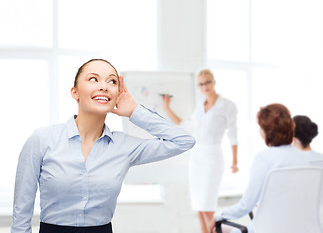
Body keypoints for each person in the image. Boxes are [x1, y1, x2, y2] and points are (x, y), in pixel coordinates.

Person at [11, 59, 196, 233]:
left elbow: (184, 140)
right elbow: (21, 212)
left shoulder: (124, 146)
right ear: (74, 92)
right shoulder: (42, 139)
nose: (103, 86)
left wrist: (134, 111)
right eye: (93, 79)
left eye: (112, 82)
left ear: (117, 94)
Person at [208, 103, 320, 233]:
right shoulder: (306, 160)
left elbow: (245, 206)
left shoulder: (263, 159)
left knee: (217, 228)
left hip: (267, 229)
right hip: (303, 229)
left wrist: (217, 216)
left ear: (266, 131)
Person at [162, 69, 238, 233]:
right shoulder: (199, 105)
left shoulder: (227, 105)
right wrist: (167, 107)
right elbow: (185, 125)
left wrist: (235, 161)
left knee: (208, 205)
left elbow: (233, 133)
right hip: (197, 157)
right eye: (201, 84)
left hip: (213, 157)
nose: (205, 86)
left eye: (208, 82)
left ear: (214, 82)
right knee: (199, 206)